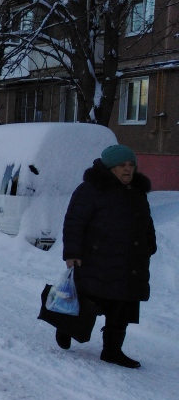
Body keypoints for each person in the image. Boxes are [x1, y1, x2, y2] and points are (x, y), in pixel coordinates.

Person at [55, 144, 156, 368]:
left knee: (123, 305)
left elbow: (146, 222)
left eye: (131, 165)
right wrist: (72, 252)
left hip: (129, 261)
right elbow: (74, 222)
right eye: (122, 165)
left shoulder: (137, 192)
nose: (128, 170)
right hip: (96, 260)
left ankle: (112, 351)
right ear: (110, 168)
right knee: (88, 302)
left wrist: (150, 244)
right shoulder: (91, 189)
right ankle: (65, 326)